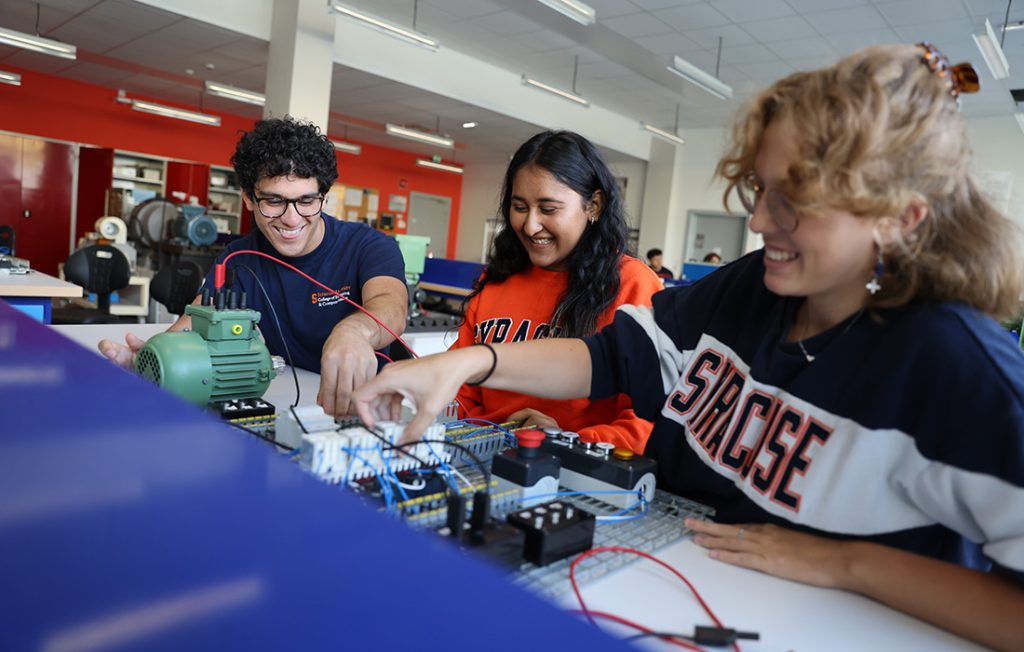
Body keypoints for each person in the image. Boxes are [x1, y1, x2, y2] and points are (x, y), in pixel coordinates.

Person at [353, 44, 1024, 651]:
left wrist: (847, 562)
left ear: (900, 218)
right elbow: (610, 357)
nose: (758, 221)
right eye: (760, 190)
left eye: (794, 202)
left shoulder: (962, 370)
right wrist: (469, 359)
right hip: (658, 593)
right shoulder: (747, 290)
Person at [99, 117, 408, 416]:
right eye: (274, 201)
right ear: (248, 198)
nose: (291, 218)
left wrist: (354, 330)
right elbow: (194, 324)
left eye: (306, 201)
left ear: (324, 199)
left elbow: (392, 307)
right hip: (287, 402)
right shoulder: (238, 259)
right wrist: (152, 361)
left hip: (366, 406)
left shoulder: (368, 245)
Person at [452, 130, 662, 452]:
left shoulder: (632, 284)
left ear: (593, 206)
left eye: (548, 210)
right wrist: (493, 436)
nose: (530, 225)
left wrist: (564, 441)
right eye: (519, 207)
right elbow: (460, 392)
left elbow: (647, 421)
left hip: (581, 474)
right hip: (482, 457)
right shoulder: (497, 280)